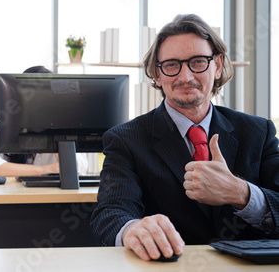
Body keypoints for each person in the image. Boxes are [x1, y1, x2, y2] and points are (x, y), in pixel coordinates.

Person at [90, 14, 279, 261]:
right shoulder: (126, 139)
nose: (185, 77)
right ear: (157, 75)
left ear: (218, 65)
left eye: (198, 62)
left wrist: (241, 193)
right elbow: (111, 212)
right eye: (171, 65)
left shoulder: (258, 131)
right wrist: (132, 230)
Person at [0, 65, 88, 177]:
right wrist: (44, 169)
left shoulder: (69, 128)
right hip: (12, 195)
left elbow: (77, 168)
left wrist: (55, 128)